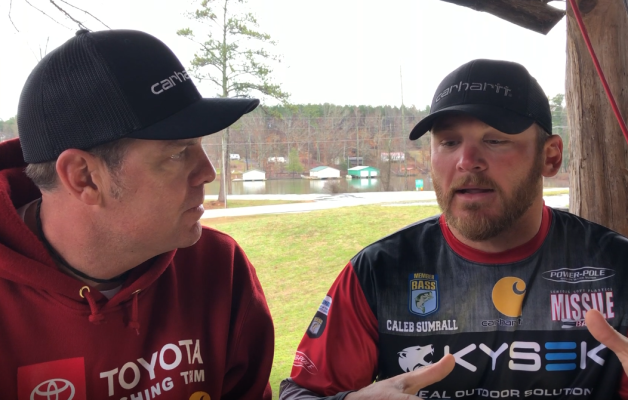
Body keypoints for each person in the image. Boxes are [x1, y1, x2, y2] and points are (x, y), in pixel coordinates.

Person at [279, 59, 628, 399]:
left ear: (550, 156)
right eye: (448, 142)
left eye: (495, 140)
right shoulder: (379, 270)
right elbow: (301, 392)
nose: (467, 161)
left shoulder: (618, 266)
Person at [0, 29, 274, 399]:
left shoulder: (218, 270)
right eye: (177, 153)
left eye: (199, 145)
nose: (208, 173)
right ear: (84, 178)